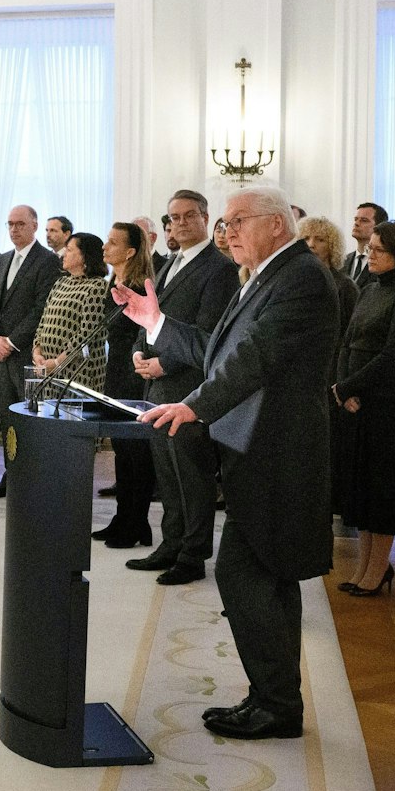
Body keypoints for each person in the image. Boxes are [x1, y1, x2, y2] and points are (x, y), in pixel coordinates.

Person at [125, 185, 338, 740]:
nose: (229, 230)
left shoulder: (301, 277)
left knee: (248, 573)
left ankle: (275, 704)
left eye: (240, 220)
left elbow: (254, 359)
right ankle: (275, 701)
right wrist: (156, 322)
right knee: (265, 575)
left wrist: (193, 406)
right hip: (261, 450)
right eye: (226, 221)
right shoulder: (268, 276)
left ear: (277, 224)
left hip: (279, 453)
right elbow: (216, 350)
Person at [127, 190, 241, 579]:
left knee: (192, 475)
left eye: (188, 216)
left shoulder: (220, 268)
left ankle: (193, 556)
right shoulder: (169, 264)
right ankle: (170, 544)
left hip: (189, 388)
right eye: (173, 217)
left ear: (206, 218)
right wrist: (139, 353)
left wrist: (164, 363)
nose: (179, 223)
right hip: (157, 386)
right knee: (168, 475)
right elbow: (149, 315)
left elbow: (209, 335)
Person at [330, 221, 395, 595]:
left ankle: (378, 567)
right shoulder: (368, 289)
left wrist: (350, 386)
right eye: (370, 248)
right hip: (357, 401)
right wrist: (342, 387)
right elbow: (346, 342)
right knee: (362, 487)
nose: (371, 254)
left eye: (379, 250)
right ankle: (366, 567)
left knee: (383, 488)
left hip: (389, 403)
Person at [0, 206, 58, 498]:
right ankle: (10, 479)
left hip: (25, 356)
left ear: (34, 225)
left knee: (30, 421)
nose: (14, 229)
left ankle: (32, 483)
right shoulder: (2, 260)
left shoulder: (47, 261)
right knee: (7, 422)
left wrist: (10, 343)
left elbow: (41, 308)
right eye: (10, 224)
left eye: (20, 224)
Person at [93, 222, 156, 548]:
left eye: (113, 242)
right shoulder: (112, 283)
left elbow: (142, 334)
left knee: (135, 452)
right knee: (121, 450)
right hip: (114, 374)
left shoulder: (138, 286)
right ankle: (124, 518)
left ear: (130, 251)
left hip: (133, 376)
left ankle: (136, 522)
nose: (105, 247)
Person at [33, 232, 110, 386]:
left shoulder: (98, 286)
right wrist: (37, 352)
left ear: (84, 256)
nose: (63, 254)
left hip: (79, 373)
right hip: (48, 370)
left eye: (69, 250)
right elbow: (43, 322)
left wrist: (57, 363)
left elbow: (87, 335)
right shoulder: (61, 283)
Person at [296, 216, 359, 336]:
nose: (311, 244)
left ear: (332, 247)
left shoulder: (345, 286)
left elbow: (352, 331)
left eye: (320, 240)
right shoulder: (294, 282)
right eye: (306, 238)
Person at [344, 203, 385, 285]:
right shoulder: (343, 261)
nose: (356, 223)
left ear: (379, 226)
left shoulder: (383, 263)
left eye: (364, 220)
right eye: (356, 219)